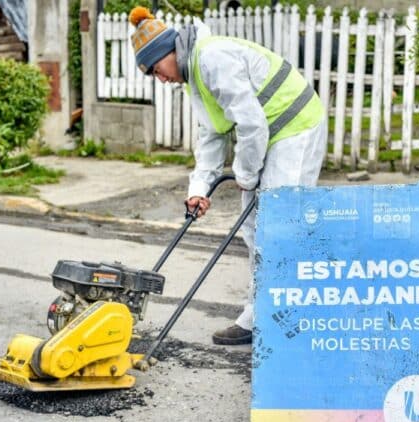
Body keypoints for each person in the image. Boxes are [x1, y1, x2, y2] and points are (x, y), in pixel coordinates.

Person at [129, 7, 327, 345]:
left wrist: (246, 175)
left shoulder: (212, 59)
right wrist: (199, 189)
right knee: (252, 226)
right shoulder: (195, 78)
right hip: (269, 135)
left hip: (295, 126)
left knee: (279, 224)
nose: (160, 79)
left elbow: (251, 124)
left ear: (169, 52)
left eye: (157, 70)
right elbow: (211, 136)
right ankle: (258, 316)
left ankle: (285, 320)